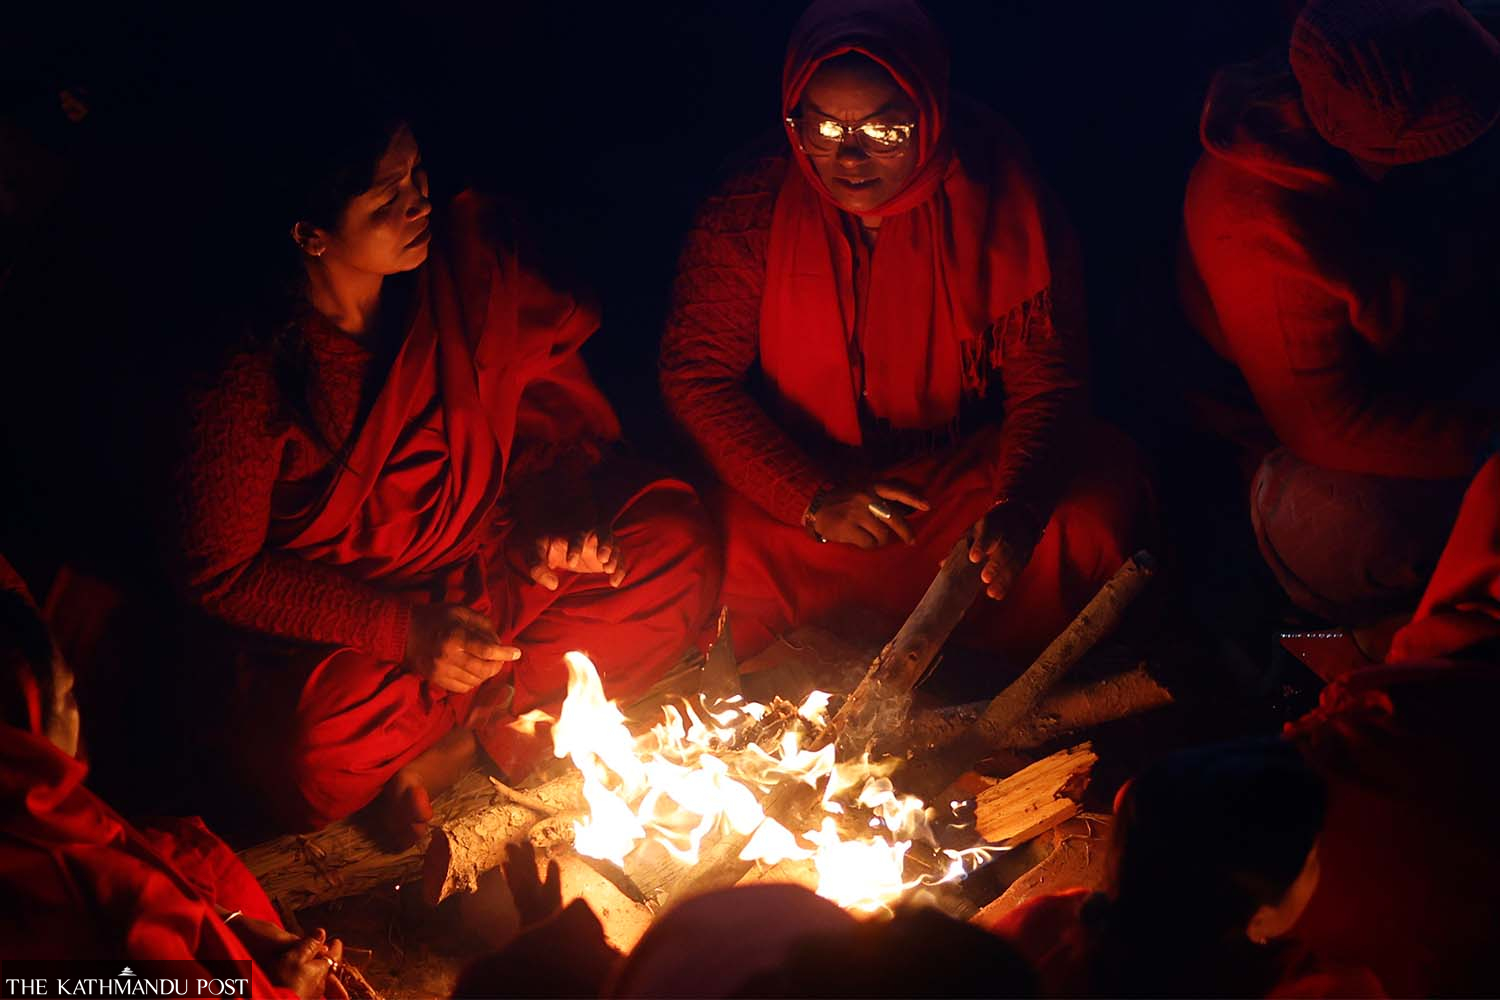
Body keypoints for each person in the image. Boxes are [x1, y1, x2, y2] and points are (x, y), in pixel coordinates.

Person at [171, 89, 721, 841]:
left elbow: (536, 420)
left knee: (674, 547)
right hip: (358, 633)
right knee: (315, 754)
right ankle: (469, 727)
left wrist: (554, 520)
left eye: (418, 175)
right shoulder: (246, 375)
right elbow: (221, 574)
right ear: (310, 234)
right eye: (385, 198)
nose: (419, 203)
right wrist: (405, 633)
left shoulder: (459, 283)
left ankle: (466, 735)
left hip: (483, 574)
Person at [659, 0, 1151, 669]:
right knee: (714, 551)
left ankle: (971, 658)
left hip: (952, 486)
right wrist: (811, 499)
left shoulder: (1000, 197)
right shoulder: (750, 208)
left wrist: (1018, 507)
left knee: (1086, 517)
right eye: (824, 127)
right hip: (809, 494)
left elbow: (1047, 382)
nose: (849, 156)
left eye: (885, 130)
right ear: (793, 120)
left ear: (930, 114)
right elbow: (696, 377)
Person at [1180, 0, 1500, 628]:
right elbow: (1332, 424)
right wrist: (1486, 441)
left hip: (1429, 357)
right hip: (1303, 437)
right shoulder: (1259, 231)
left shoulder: (1385, 61)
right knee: (1346, 529)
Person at [0, 555, 344, 998]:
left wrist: (230, 922)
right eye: (68, 696)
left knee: (205, 867)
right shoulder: (62, 883)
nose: (78, 713)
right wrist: (287, 992)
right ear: (27, 724)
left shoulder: (41, 808)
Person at [983, 739, 1383, 997]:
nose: (1320, 867)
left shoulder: (1048, 926)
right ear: (1259, 919)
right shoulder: (1325, 988)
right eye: (1311, 861)